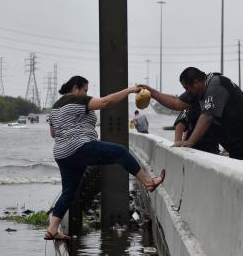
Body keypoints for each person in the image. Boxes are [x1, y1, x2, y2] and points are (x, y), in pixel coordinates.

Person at [45, 76, 165, 240]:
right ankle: (149, 183)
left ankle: (52, 229)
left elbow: (53, 133)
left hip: (62, 154)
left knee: (69, 192)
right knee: (121, 152)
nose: (86, 94)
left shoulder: (55, 107)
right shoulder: (77, 100)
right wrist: (130, 90)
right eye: (85, 90)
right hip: (80, 147)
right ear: (75, 88)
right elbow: (105, 102)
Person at [140, 67, 243, 166]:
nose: (187, 92)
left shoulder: (216, 85)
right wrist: (151, 92)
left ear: (196, 82)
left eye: (187, 88)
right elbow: (176, 103)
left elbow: (207, 116)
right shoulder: (199, 90)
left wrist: (189, 142)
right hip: (236, 145)